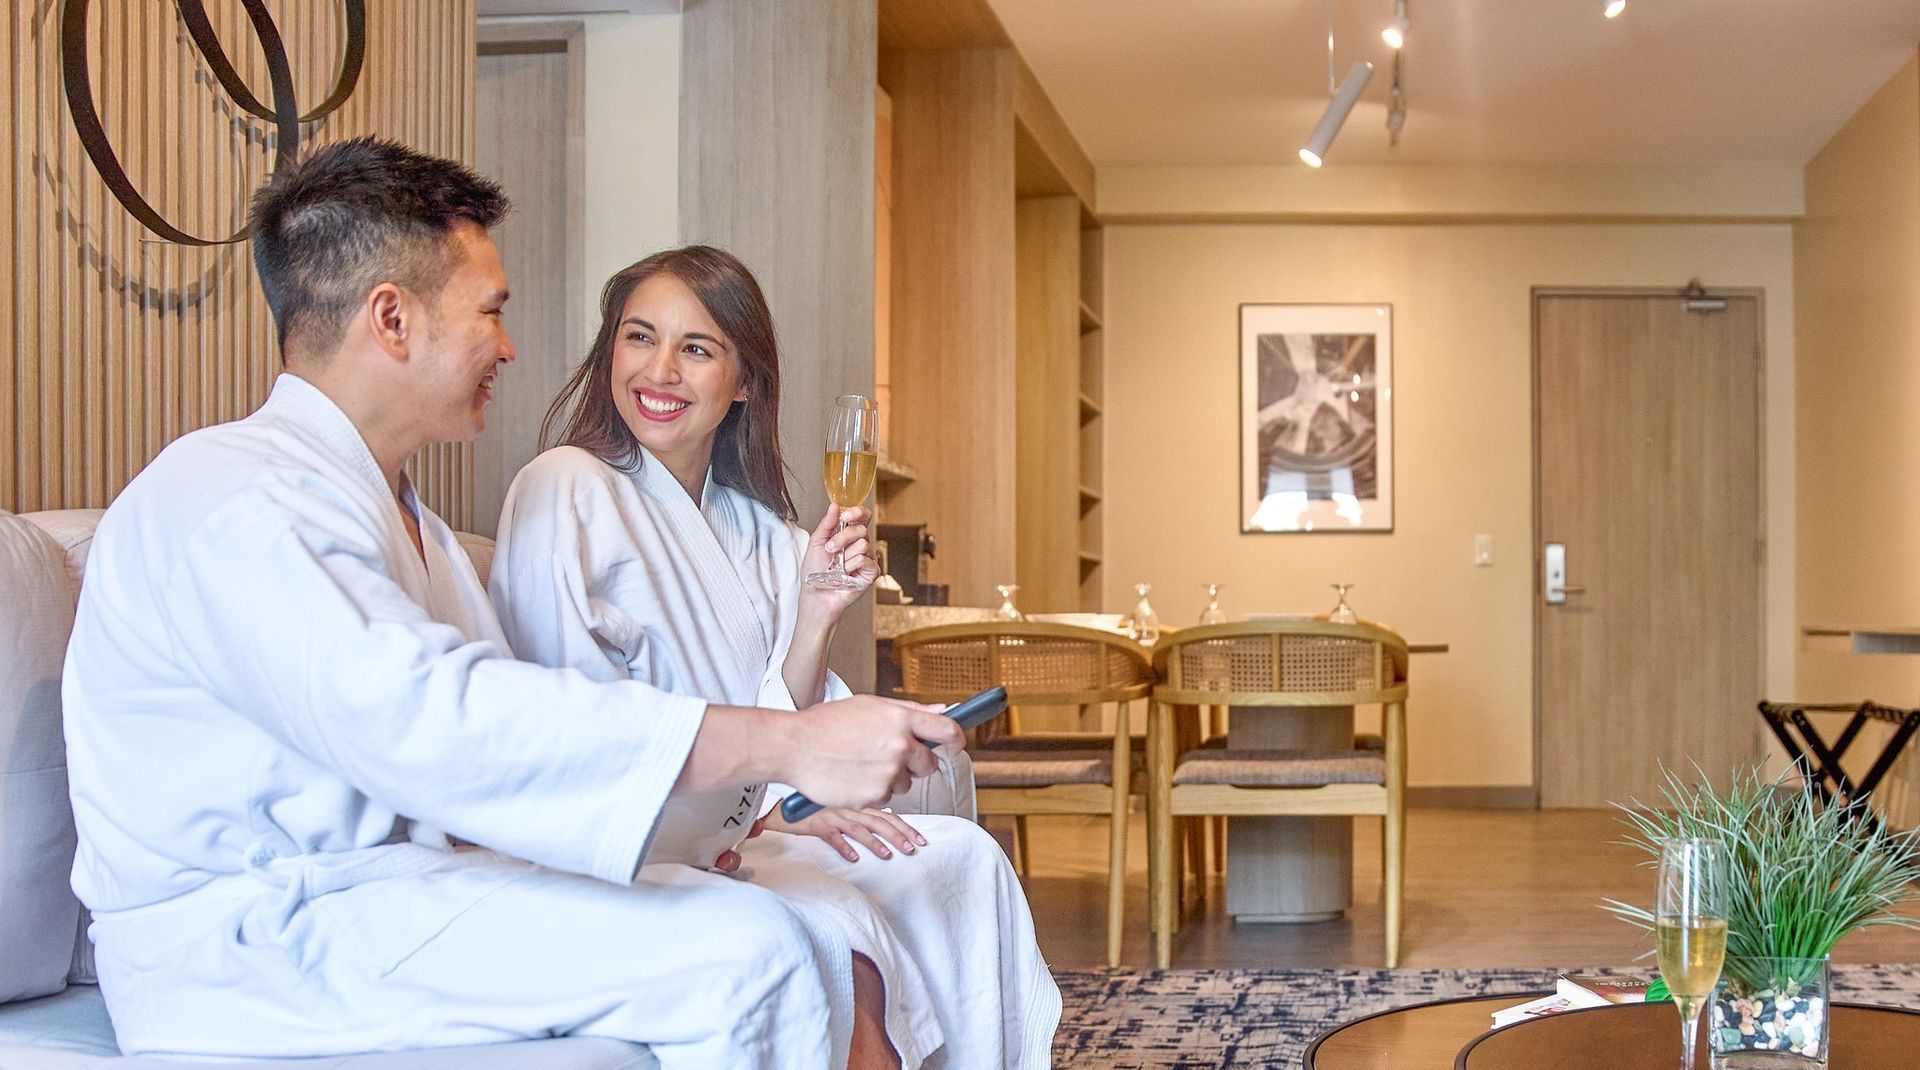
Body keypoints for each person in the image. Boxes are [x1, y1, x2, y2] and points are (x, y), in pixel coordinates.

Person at [60, 137, 975, 1070]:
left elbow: (491, 761)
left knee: (743, 912)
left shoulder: (406, 521)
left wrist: (702, 834)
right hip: (251, 943)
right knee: (747, 954)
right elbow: (440, 721)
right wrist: (788, 743)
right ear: (392, 319)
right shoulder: (235, 498)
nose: (507, 345)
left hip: (382, 901)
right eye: (489, 312)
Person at [489, 246, 1061, 1070]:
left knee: (959, 859)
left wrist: (817, 614)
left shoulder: (760, 531)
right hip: (627, 846)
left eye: (696, 348)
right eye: (638, 337)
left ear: (745, 381)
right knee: (840, 938)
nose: (659, 369)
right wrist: (764, 807)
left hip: (728, 828)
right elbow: (568, 721)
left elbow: (784, 719)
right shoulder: (567, 488)